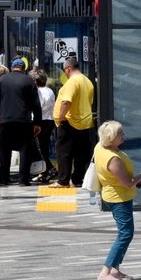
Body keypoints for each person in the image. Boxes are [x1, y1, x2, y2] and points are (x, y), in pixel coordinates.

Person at [94, 121, 141, 280]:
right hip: (119, 198)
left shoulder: (100, 148)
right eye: (120, 134)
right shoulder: (112, 159)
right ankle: (105, 272)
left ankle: (115, 270)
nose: (123, 136)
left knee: (126, 233)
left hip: (114, 195)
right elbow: (126, 183)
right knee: (125, 234)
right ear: (111, 138)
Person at [0, 58, 41, 186]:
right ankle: (23, 180)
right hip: (23, 120)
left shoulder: (2, 80)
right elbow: (36, 104)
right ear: (23, 68)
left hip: (5, 120)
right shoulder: (29, 81)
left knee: (4, 150)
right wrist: (37, 122)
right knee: (25, 150)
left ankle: (3, 179)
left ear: (12, 67)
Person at [53, 57, 95, 187]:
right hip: (84, 122)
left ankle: (63, 180)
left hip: (69, 121)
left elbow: (66, 101)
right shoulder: (87, 81)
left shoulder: (72, 82)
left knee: (64, 152)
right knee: (80, 154)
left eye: (65, 70)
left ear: (68, 69)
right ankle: (77, 179)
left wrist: (60, 117)